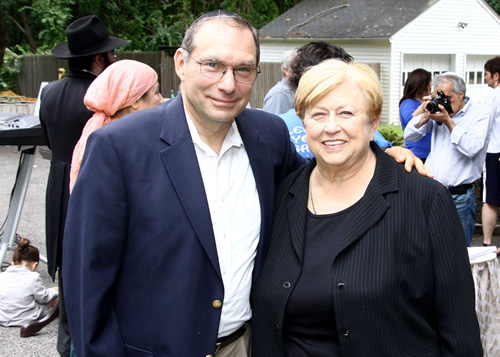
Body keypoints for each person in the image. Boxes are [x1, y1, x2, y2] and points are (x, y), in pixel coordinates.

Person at [63, 11, 429, 357]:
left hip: (248, 345)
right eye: (213, 65)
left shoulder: (267, 137)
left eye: (243, 70)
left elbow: (321, 179)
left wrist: (380, 158)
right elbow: (86, 283)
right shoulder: (119, 147)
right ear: (181, 63)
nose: (227, 84)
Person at [251, 59, 483, 356]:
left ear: (373, 122)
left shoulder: (423, 200)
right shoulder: (282, 195)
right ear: (303, 121)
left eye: (346, 113)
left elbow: (459, 329)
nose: (331, 127)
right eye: (318, 114)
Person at [38, 15, 128, 356]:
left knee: (66, 267)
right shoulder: (98, 99)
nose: (113, 60)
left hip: (56, 182)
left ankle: (65, 343)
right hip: (85, 185)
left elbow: (46, 138)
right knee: (89, 269)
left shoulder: (50, 92)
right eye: (109, 55)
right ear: (98, 59)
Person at [280, 41, 426, 167]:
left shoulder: (359, 124)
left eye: (345, 113)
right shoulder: (277, 129)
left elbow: (384, 150)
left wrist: (396, 153)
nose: (331, 128)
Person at [404, 72, 491, 246]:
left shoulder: (479, 114)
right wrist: (424, 115)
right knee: (429, 246)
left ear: (461, 94)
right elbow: (410, 136)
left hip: (459, 197)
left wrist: (449, 123)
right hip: (432, 192)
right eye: (440, 97)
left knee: (458, 251)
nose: (444, 102)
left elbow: (472, 147)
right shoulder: (438, 111)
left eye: (448, 98)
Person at [69, 59, 163, 192]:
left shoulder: (105, 134)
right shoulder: (116, 142)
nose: (161, 100)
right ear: (135, 100)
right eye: (156, 92)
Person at [0, 238, 59, 337]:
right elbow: (43, 298)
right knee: (52, 301)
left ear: (13, 263)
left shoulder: (2, 276)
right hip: (26, 317)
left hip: (3, 317)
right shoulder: (33, 278)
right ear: (34, 265)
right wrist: (54, 291)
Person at [482, 57, 500, 247]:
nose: (486, 79)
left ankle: (487, 242)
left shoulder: (494, 95)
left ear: (496, 76)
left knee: (490, 199)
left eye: (487, 75)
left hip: (495, 151)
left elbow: (485, 123)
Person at [399, 68, 432, 161]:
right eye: (428, 82)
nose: (431, 85)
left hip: (430, 155)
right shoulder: (408, 103)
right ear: (420, 84)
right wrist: (422, 108)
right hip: (418, 155)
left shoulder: (423, 101)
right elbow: (411, 122)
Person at [262, 49, 296, 114]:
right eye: (297, 67)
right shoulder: (279, 94)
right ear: (286, 71)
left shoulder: (293, 91)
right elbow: (273, 123)